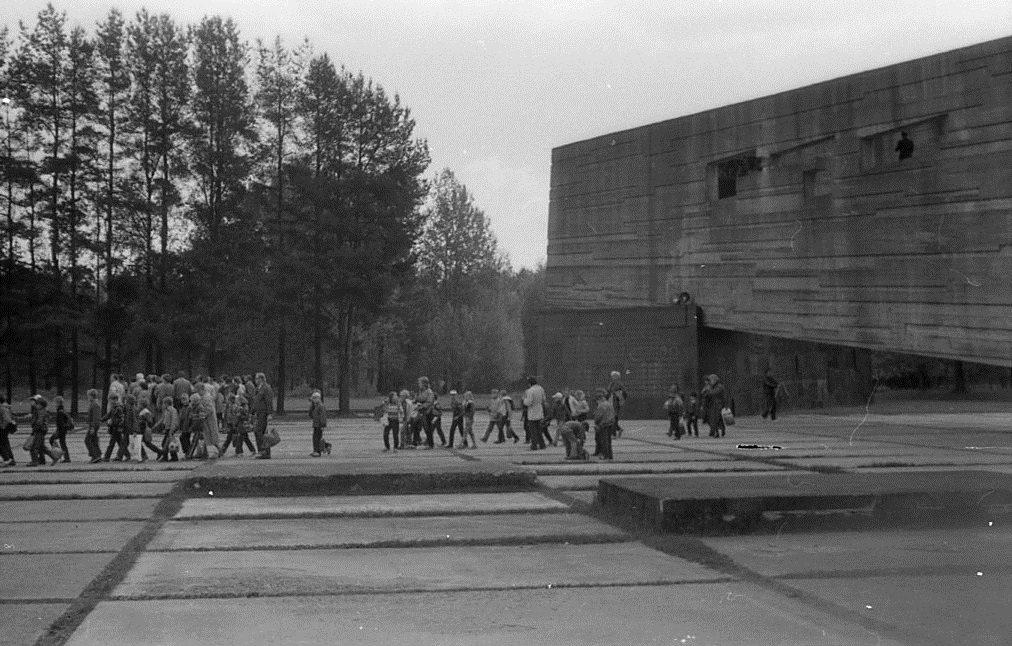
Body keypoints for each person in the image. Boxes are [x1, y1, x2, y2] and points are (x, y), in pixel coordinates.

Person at [27, 395, 58, 466]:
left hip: (39, 431)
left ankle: (34, 462)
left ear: (41, 405)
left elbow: (39, 422)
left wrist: (34, 426)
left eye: (37, 404)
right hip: (41, 430)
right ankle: (55, 457)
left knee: (34, 447)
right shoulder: (42, 411)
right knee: (42, 447)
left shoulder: (41, 412)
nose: (36, 405)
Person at [252, 372, 274, 459]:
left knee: (261, 432)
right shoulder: (259, 388)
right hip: (258, 413)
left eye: (256, 378)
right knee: (258, 432)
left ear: (261, 379)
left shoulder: (266, 388)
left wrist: (269, 413)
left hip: (263, 413)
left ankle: (265, 452)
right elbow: (256, 401)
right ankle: (261, 451)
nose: (255, 380)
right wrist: (253, 411)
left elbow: (269, 401)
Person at [150, 397, 179, 462]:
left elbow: (173, 420)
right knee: (169, 443)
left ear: (166, 403)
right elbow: (162, 419)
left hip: (170, 429)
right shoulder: (166, 410)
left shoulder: (172, 410)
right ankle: (174, 457)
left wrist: (171, 430)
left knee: (165, 444)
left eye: (163, 403)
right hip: (167, 429)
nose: (163, 405)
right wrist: (155, 426)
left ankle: (166, 458)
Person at [102, 393, 129, 461]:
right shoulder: (114, 407)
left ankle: (107, 457)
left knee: (112, 443)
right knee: (120, 443)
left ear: (115, 399)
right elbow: (108, 415)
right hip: (115, 427)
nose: (110, 402)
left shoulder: (118, 408)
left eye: (111, 400)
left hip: (116, 428)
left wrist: (113, 423)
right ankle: (127, 455)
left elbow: (121, 419)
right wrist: (101, 420)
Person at [523, 376, 547, 451]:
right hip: (539, 412)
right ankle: (542, 445)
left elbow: (528, 402)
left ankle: (534, 446)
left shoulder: (530, 390)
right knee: (539, 430)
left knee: (533, 431)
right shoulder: (541, 388)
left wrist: (524, 400)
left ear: (530, 383)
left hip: (532, 413)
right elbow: (544, 399)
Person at [592, 389, 615, 460]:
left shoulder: (601, 406)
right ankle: (610, 456)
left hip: (603, 425)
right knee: (609, 441)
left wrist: (596, 422)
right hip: (610, 424)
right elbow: (613, 414)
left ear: (599, 399)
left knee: (604, 441)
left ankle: (606, 456)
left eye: (596, 400)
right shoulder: (609, 404)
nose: (596, 402)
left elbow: (598, 417)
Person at [51, 396, 73, 463]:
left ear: (58, 403)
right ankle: (67, 458)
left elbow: (60, 423)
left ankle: (58, 454)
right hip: (63, 430)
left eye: (55, 402)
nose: (54, 404)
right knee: (63, 443)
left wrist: (57, 431)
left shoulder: (60, 411)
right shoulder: (62, 410)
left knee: (52, 439)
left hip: (61, 430)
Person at [607, 371, 628, 437]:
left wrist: (620, 397)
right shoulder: (611, 383)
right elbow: (608, 392)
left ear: (618, 377)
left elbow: (624, 392)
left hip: (616, 402)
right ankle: (619, 429)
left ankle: (613, 434)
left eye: (615, 376)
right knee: (612, 417)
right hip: (610, 401)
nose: (613, 377)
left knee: (614, 417)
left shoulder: (619, 384)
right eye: (612, 376)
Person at [309, 391, 330, 457]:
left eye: (314, 398)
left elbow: (323, 416)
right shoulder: (315, 406)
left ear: (318, 398)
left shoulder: (321, 406)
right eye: (313, 399)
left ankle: (317, 451)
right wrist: (312, 406)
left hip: (319, 425)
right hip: (315, 424)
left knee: (317, 438)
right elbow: (311, 415)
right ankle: (326, 446)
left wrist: (323, 425)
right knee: (316, 438)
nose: (313, 400)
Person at [0, 396, 16, 466]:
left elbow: (7, 419)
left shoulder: (2, 408)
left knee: (2, 444)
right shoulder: (5, 407)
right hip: (5, 428)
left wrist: (2, 426)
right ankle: (11, 459)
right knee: (6, 443)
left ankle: (7, 459)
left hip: (2, 428)